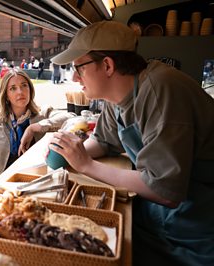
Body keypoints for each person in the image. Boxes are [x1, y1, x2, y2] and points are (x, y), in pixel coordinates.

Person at [49, 21, 214, 265]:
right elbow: (104, 141)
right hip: (160, 213)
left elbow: (164, 190)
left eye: (79, 68)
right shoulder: (119, 95)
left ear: (107, 65)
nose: (74, 77)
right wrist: (73, 150)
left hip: (197, 226)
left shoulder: (161, 90)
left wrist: (87, 166)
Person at [0, 68, 75, 189]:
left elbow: (70, 118)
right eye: (13, 88)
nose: (20, 92)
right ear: (6, 95)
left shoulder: (43, 113)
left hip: (35, 184)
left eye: (24, 85)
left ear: (30, 89)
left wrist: (34, 127)